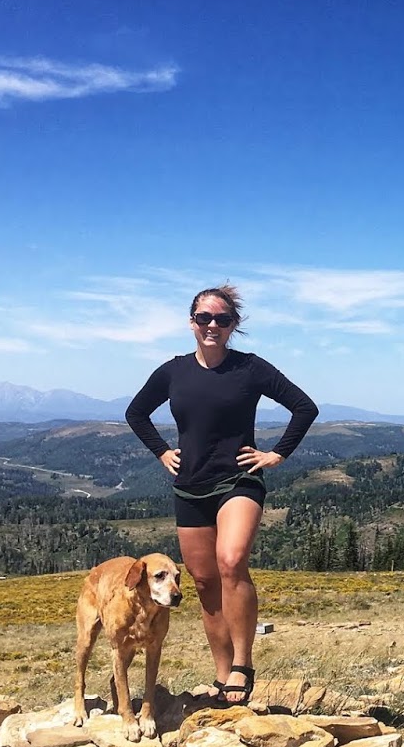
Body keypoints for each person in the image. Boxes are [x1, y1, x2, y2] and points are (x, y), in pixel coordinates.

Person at [125, 283, 319, 706]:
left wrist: (276, 454)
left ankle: (242, 665)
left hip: (239, 480)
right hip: (190, 486)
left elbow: (305, 407)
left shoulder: (250, 368)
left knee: (231, 561)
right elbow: (135, 412)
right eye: (204, 318)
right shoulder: (172, 371)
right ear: (191, 322)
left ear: (235, 325)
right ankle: (220, 675)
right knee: (204, 582)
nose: (213, 325)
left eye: (222, 319)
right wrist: (161, 451)